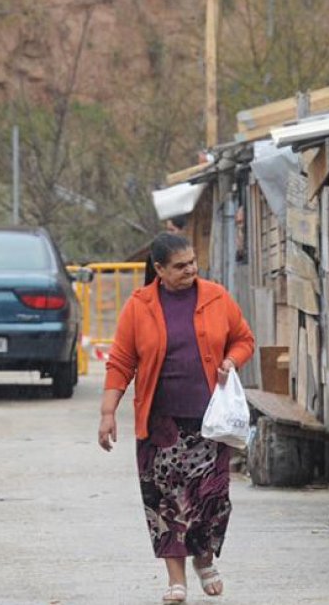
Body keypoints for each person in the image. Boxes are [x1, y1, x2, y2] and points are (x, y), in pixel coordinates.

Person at [98, 232, 255, 603]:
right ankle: (176, 580)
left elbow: (244, 339)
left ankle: (204, 559)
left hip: (209, 423)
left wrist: (231, 361)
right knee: (166, 502)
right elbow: (121, 361)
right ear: (159, 270)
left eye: (193, 262)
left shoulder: (216, 297)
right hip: (161, 425)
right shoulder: (139, 306)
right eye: (180, 266)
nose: (190, 270)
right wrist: (108, 412)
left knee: (209, 500)